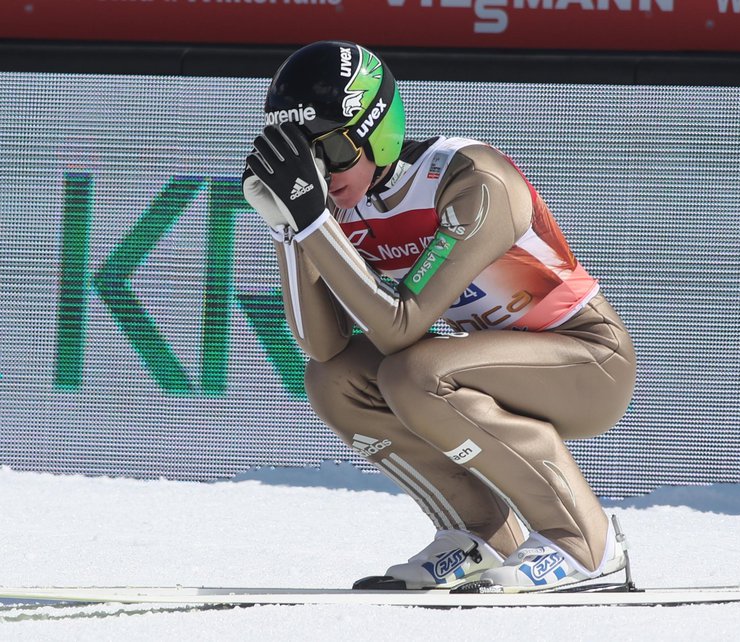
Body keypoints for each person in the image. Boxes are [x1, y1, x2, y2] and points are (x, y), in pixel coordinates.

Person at [241, 40, 636, 593]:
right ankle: (477, 532)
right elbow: (324, 346)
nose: (320, 174)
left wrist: (312, 223)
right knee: (336, 381)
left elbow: (403, 325)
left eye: (329, 148)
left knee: (415, 374)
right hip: (491, 362)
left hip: (588, 361)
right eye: (302, 157)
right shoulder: (337, 207)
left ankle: (585, 544)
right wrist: (290, 227)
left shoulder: (470, 179)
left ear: (375, 128)